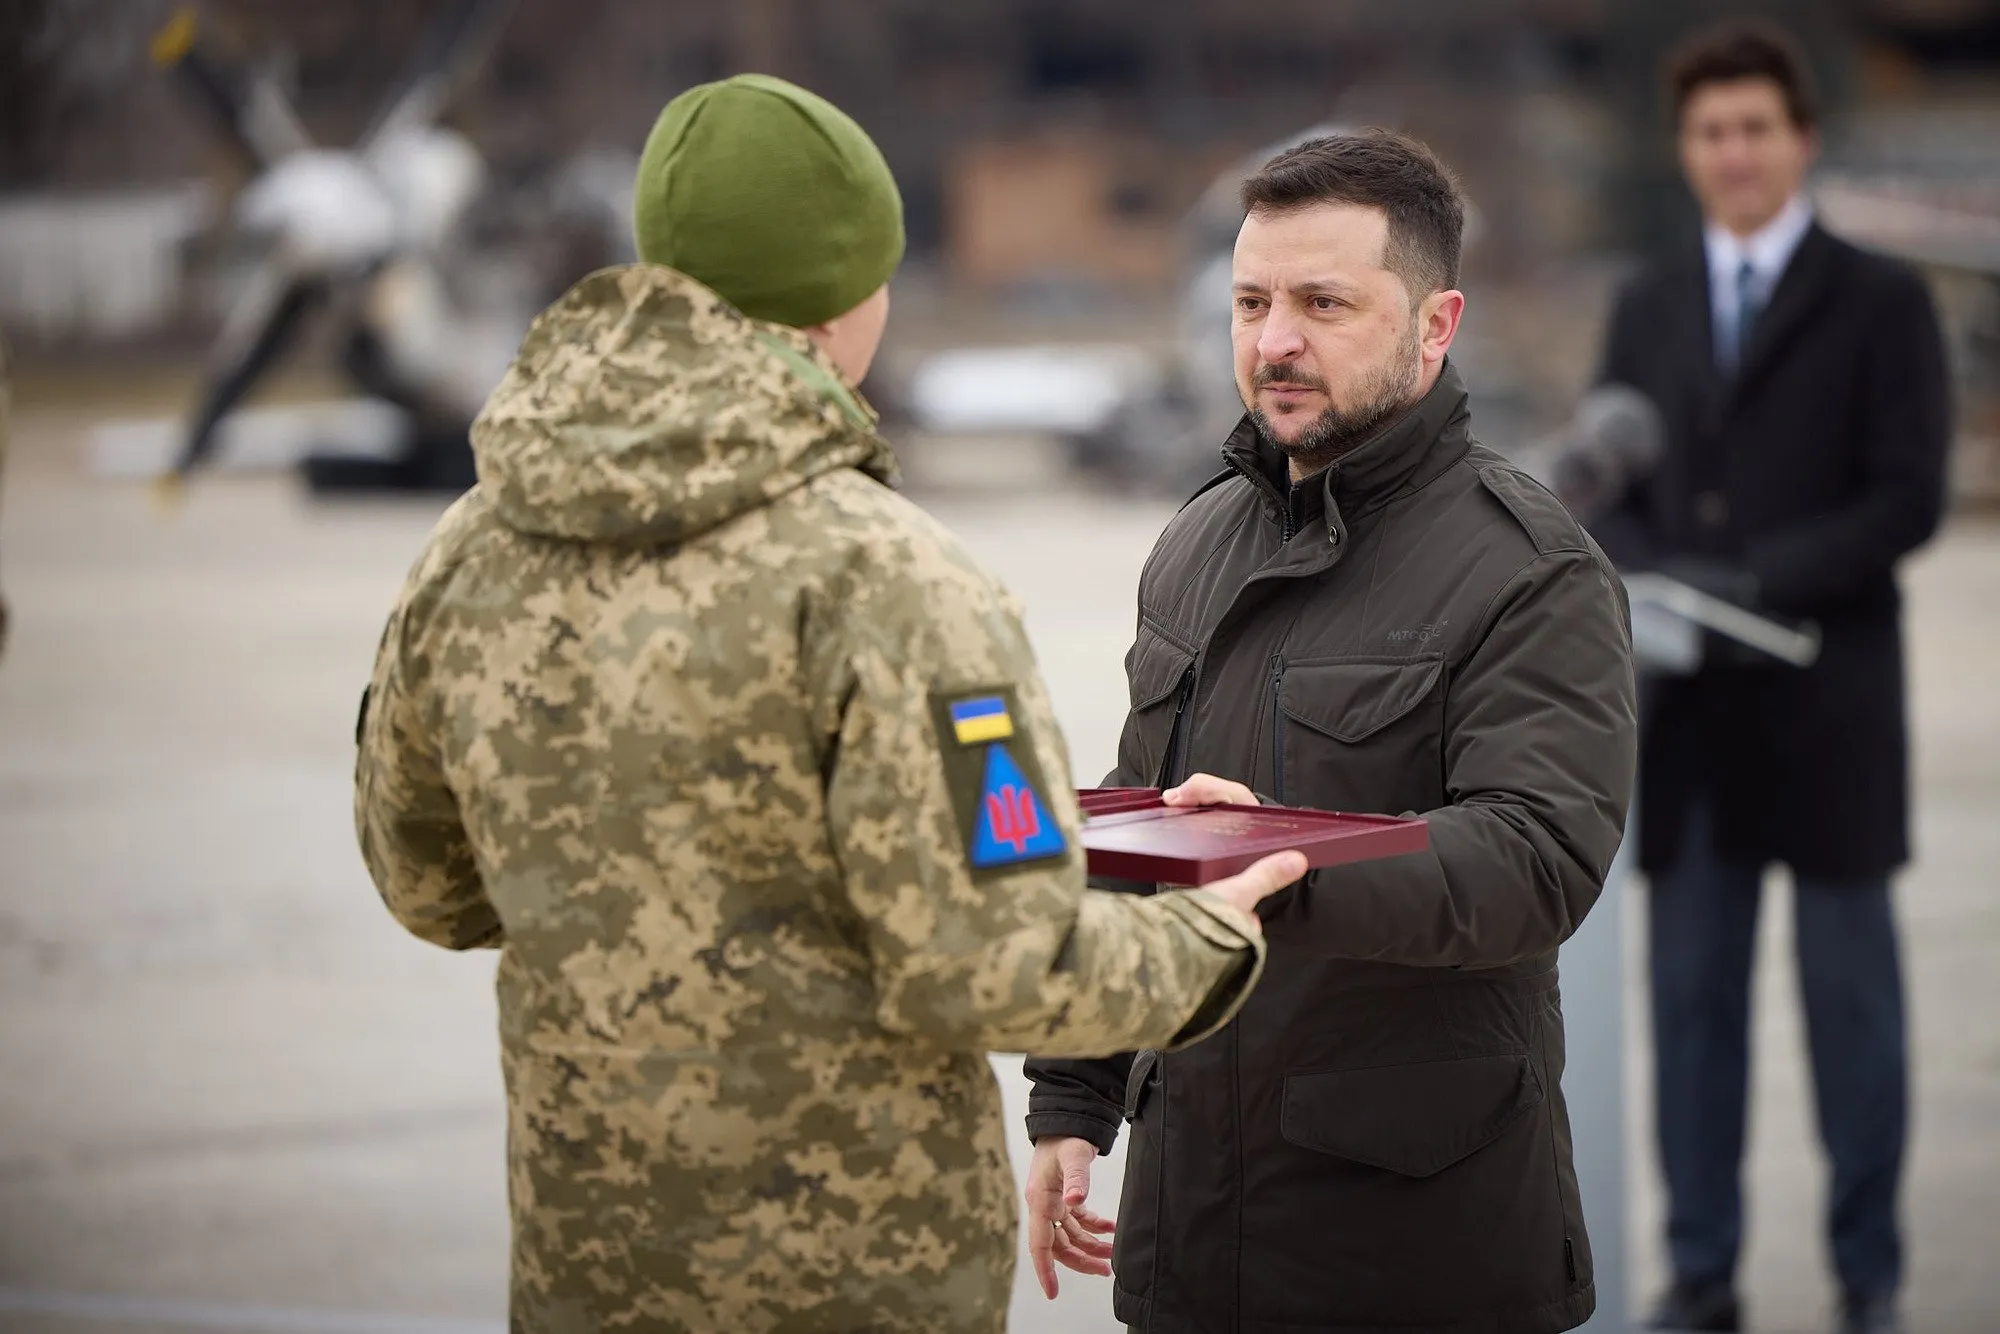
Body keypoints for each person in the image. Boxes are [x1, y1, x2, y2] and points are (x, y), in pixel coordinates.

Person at [352, 74, 1308, 1334]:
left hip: (591, 1266)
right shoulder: (890, 579)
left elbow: (428, 885)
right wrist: (1210, 931)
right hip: (856, 1279)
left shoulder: (471, 546)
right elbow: (1003, 960)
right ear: (847, 296)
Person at [1022, 130, 1638, 1334]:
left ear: (1435, 322)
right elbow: (1137, 824)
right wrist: (1071, 1100)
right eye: (1250, 301)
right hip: (1192, 1232)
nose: (1272, 341)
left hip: (1410, 1239)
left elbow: (1534, 860)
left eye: (1321, 302)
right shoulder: (1198, 540)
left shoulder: (1529, 568)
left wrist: (1283, 864)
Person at [1592, 22, 1949, 1334]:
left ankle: (1868, 1275)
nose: (1732, 152)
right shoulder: (1646, 300)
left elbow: (1907, 494)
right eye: (1708, 131)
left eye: (1754, 127)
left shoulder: (1882, 299)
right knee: (1694, 1015)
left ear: (1800, 140)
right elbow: (1608, 483)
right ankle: (1704, 1273)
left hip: (1831, 707)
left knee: (1854, 1014)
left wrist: (1763, 575)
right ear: (1685, 150)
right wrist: (1665, 577)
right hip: (1686, 722)